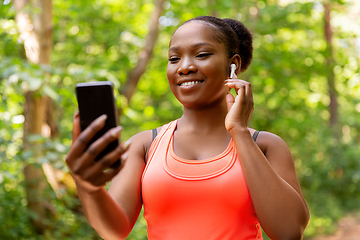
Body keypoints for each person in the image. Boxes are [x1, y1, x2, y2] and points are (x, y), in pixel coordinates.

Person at [66, 16, 309, 240]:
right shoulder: (145, 145)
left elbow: (288, 232)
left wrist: (240, 132)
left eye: (202, 54)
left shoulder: (265, 145)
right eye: (174, 58)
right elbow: (114, 231)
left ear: (233, 65)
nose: (184, 67)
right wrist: (88, 185)